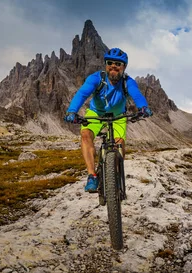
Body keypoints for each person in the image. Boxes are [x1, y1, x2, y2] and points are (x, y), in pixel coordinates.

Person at [64, 48, 153, 193]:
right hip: (96, 114)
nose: (113, 66)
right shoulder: (96, 78)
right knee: (86, 134)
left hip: (118, 116)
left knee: (120, 144)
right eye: (110, 62)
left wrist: (143, 107)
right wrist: (72, 111)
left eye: (118, 64)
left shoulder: (127, 81)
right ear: (105, 64)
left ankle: (116, 177)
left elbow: (136, 94)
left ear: (123, 67)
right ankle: (92, 175)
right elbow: (82, 94)